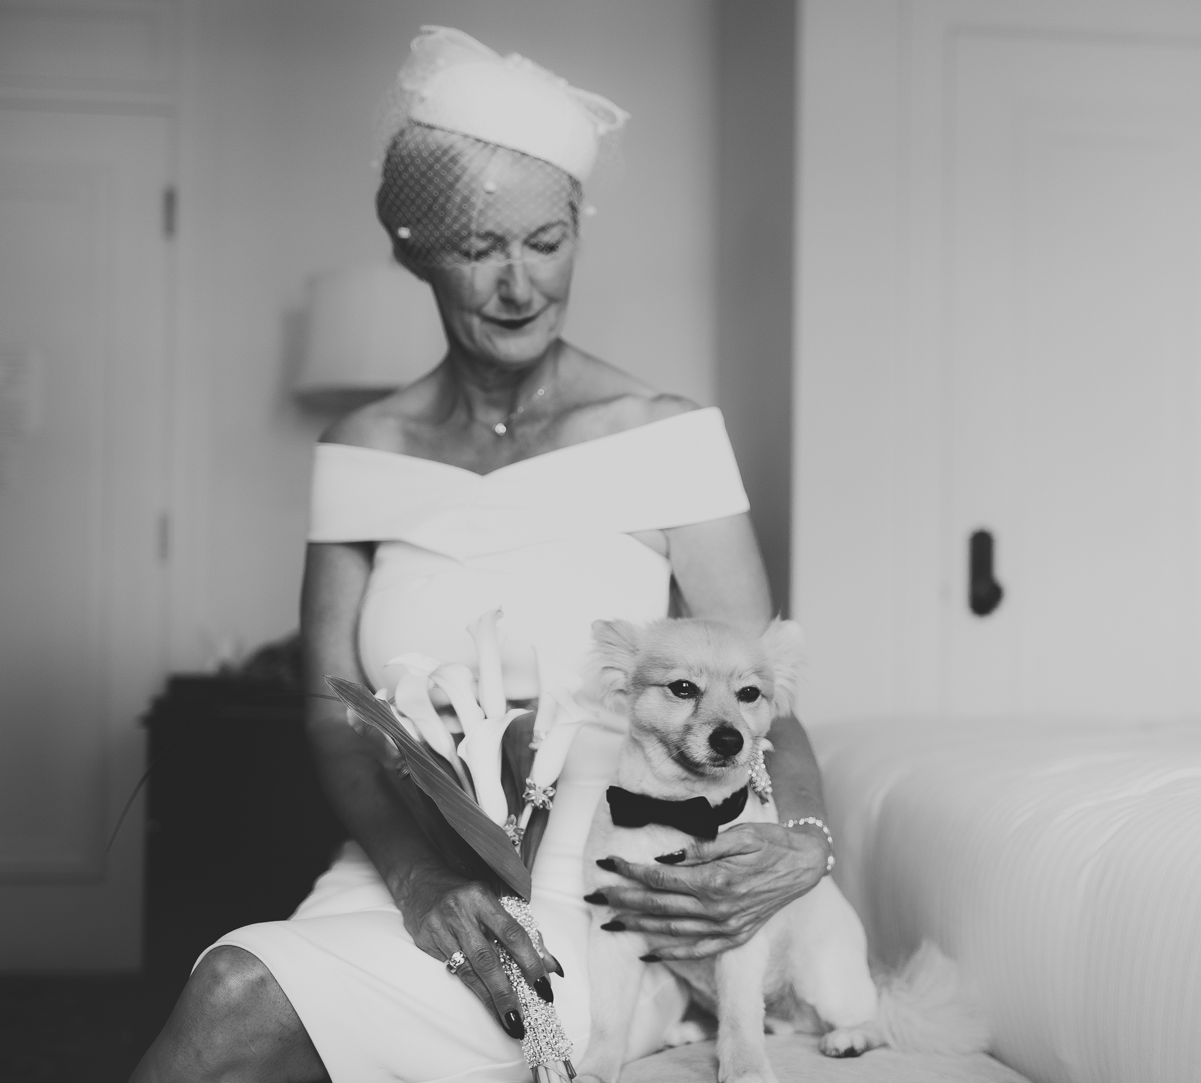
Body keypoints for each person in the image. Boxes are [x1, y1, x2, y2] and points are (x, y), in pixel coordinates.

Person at [131, 27, 835, 1083]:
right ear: (416, 251)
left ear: (575, 233)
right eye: (477, 249)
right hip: (396, 876)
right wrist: (415, 879)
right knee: (231, 979)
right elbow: (332, 710)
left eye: (545, 241)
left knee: (242, 1007)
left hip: (611, 897)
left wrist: (809, 844)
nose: (518, 285)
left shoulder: (665, 432)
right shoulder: (364, 451)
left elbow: (759, 697)